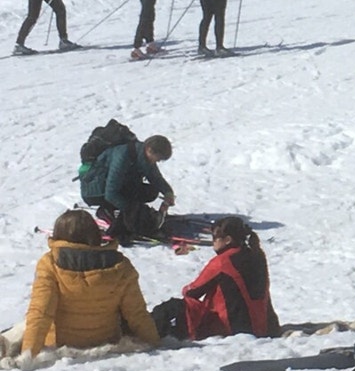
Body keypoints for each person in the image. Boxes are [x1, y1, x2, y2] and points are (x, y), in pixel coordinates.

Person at [10, 209, 159, 358]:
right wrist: (153, 342)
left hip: (60, 346)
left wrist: (28, 354)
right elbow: (136, 313)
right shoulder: (120, 265)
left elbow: (40, 313)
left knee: (17, 330)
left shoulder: (50, 263)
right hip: (105, 342)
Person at [151, 216, 280, 341]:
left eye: (215, 238)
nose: (213, 242)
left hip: (231, 327)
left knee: (173, 307)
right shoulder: (258, 256)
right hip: (264, 326)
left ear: (228, 240)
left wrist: (187, 289)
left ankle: (146, 331)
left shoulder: (222, 262)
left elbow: (192, 292)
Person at [80, 132, 176, 242]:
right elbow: (110, 193)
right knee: (131, 204)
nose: (157, 161)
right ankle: (106, 211)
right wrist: (132, 210)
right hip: (95, 192)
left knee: (150, 191)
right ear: (149, 149)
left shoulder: (143, 155)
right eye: (158, 158)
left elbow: (155, 177)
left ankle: (122, 211)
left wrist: (168, 193)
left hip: (118, 186)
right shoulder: (122, 157)